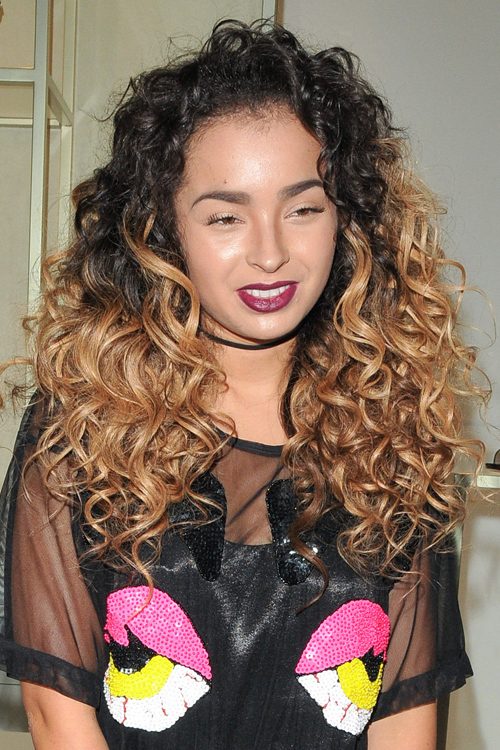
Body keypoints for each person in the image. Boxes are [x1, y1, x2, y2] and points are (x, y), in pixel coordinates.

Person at [0, 19, 486, 750]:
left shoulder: (398, 434)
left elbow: (404, 716)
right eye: (226, 216)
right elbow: (56, 712)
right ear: (164, 230)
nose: (270, 252)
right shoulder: (81, 424)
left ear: (346, 221)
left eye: (303, 208)